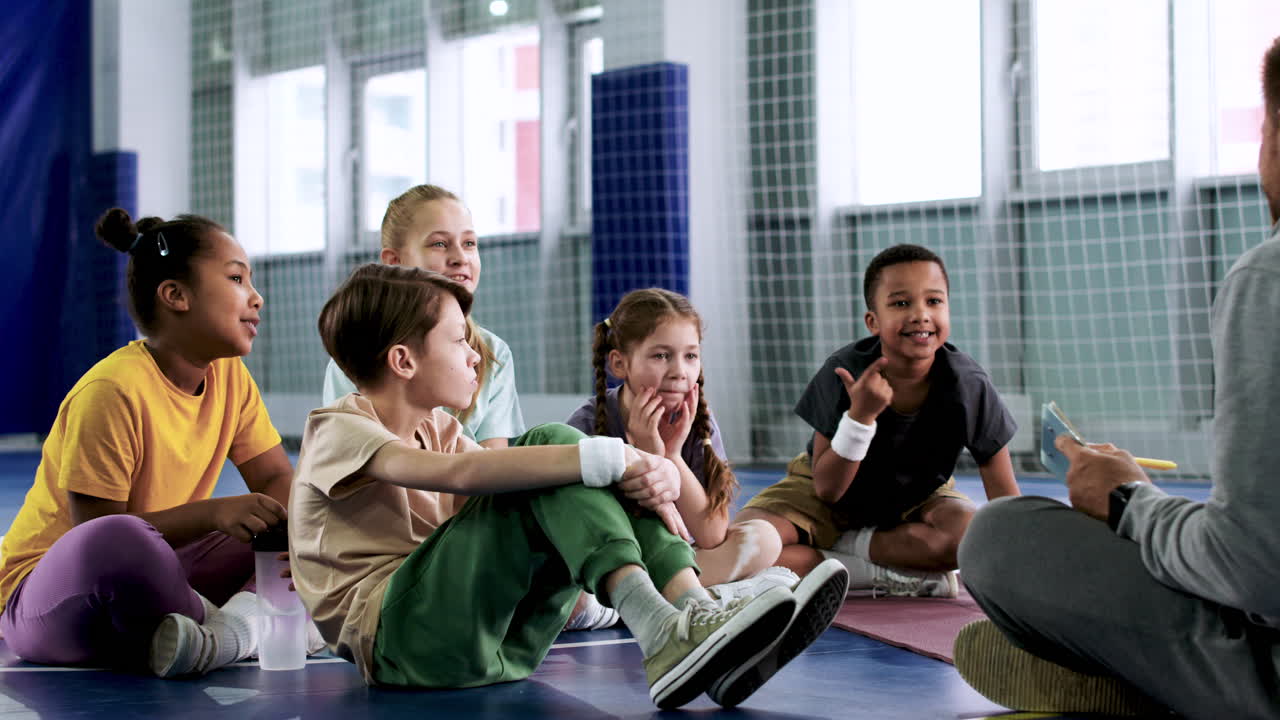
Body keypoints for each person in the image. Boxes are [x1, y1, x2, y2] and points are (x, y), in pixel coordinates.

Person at [290, 263, 844, 708]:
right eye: (460, 340)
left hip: (495, 648)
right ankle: (664, 626)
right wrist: (612, 455)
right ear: (403, 360)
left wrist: (645, 468)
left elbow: (496, 495)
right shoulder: (339, 425)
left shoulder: (439, 427)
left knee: (558, 463)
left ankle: (697, 622)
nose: (475, 354)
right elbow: (461, 475)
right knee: (556, 448)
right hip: (402, 642)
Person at [953, 37, 1280, 719]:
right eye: (902, 304)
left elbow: (1255, 567)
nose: (919, 318)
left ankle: (1139, 674)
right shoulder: (860, 382)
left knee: (993, 534)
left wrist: (1133, 504)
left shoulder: (1267, 278)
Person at [0, 208, 293, 678]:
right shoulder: (112, 390)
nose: (256, 297)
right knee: (124, 541)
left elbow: (277, 475)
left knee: (303, 522)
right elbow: (97, 532)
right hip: (53, 597)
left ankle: (218, 635)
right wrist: (214, 512)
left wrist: (292, 529)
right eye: (237, 278)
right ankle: (237, 629)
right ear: (176, 295)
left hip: (165, 576)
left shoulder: (230, 377)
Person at [738, 244, 1021, 596]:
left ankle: (849, 554)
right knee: (745, 545)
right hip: (824, 496)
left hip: (916, 499)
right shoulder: (843, 372)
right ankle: (887, 573)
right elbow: (828, 489)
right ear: (873, 321)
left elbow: (1005, 498)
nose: (921, 314)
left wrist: (1020, 573)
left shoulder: (969, 385)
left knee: (968, 537)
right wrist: (860, 418)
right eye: (901, 303)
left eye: (934, 301)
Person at [567, 288, 785, 586]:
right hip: (612, 564)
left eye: (691, 356)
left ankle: (658, 593)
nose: (679, 372)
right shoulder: (587, 424)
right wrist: (646, 454)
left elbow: (711, 535)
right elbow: (580, 533)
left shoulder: (696, 423)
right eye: (661, 355)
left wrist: (670, 455)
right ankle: (678, 593)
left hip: (679, 558)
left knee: (764, 538)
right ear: (619, 364)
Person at [322, 184, 524, 449]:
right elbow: (352, 455)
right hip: (395, 484)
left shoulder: (491, 353)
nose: (460, 257)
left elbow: (492, 467)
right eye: (439, 244)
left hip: (469, 486)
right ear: (394, 262)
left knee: (553, 436)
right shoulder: (359, 353)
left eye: (469, 243)